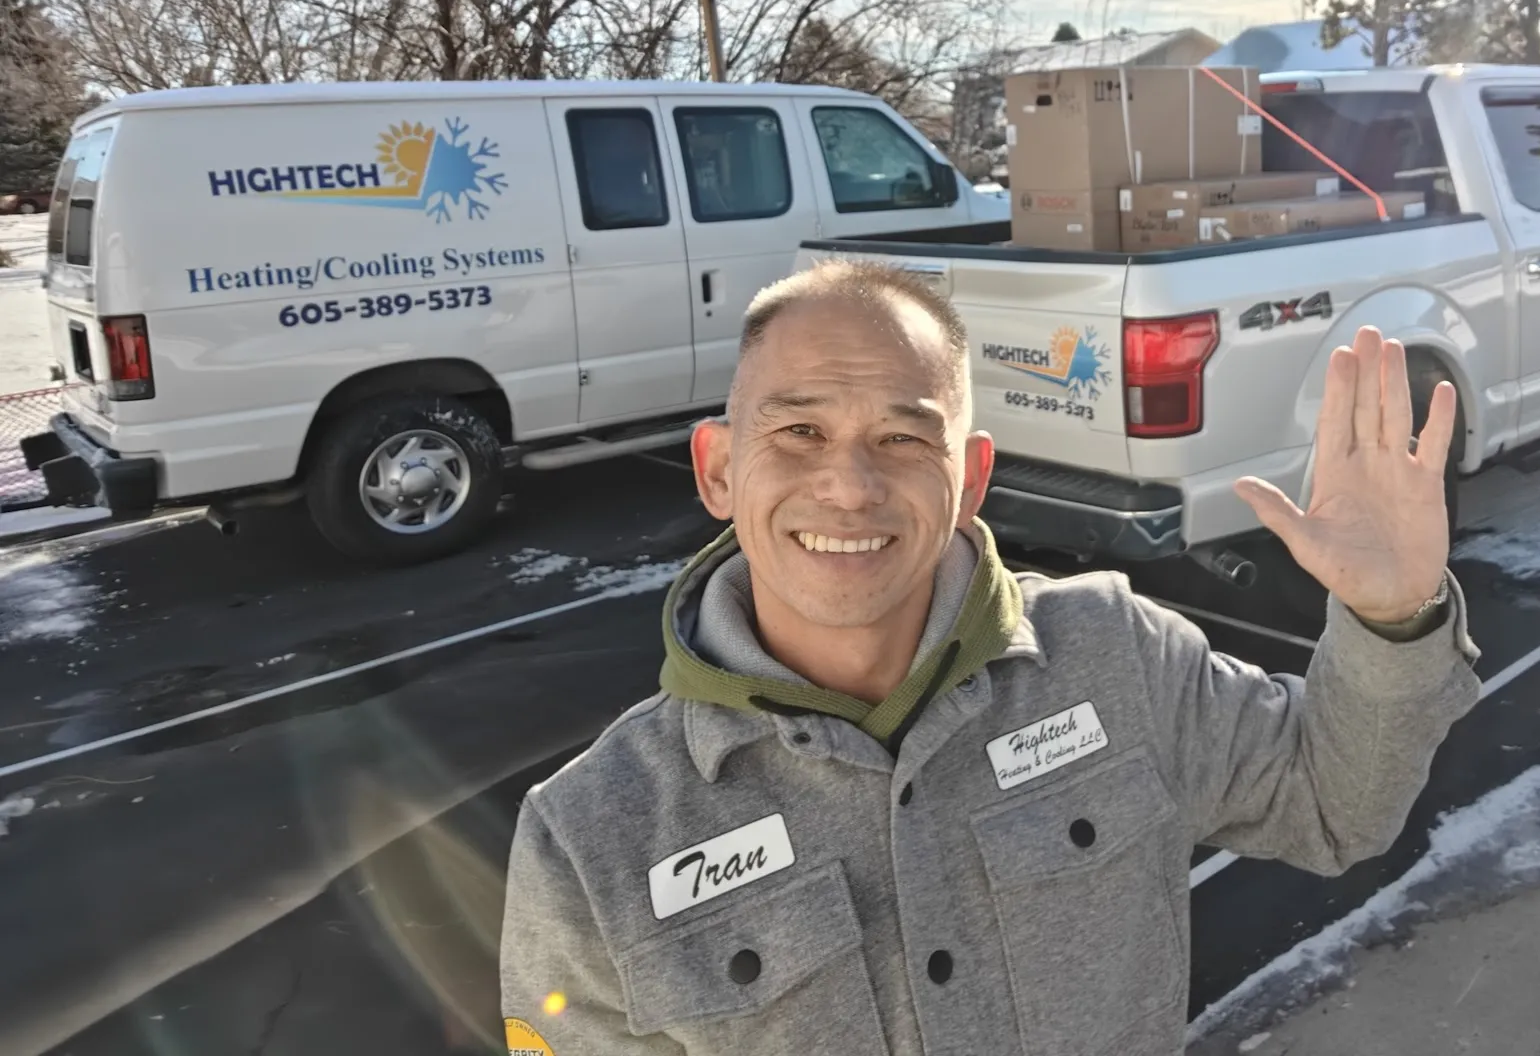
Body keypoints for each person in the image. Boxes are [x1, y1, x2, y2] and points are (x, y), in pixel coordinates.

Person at [500, 259, 1480, 1056]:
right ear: (718, 469)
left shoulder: (1117, 655)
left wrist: (1389, 613)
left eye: (903, 437)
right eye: (798, 431)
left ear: (970, 478)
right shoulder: (587, 840)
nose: (849, 485)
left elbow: (1333, 808)